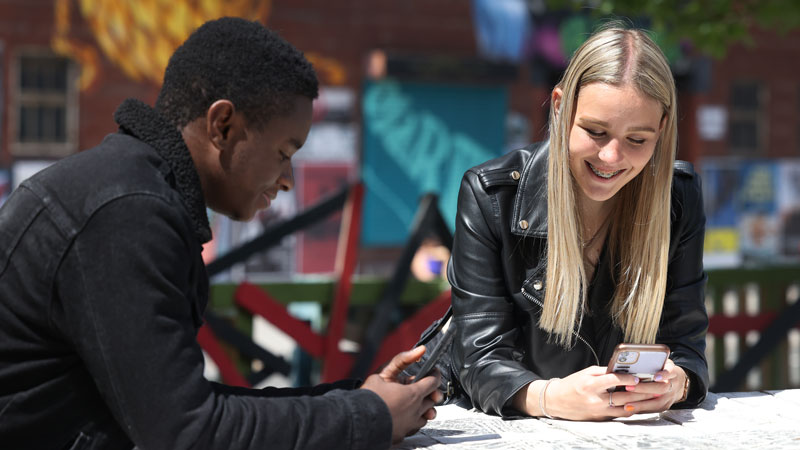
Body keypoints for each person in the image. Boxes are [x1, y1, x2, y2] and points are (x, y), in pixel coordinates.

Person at [0, 17, 440, 449]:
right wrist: (370, 416)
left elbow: (188, 410)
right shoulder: (126, 214)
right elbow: (188, 433)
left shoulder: (136, 191)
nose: (287, 179)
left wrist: (360, 399)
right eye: (283, 152)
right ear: (222, 125)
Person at [446, 25, 708, 420]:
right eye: (596, 131)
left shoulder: (679, 197)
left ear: (664, 128)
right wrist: (548, 397)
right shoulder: (492, 195)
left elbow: (686, 345)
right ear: (559, 106)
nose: (611, 156)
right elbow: (478, 358)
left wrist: (678, 382)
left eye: (637, 139)